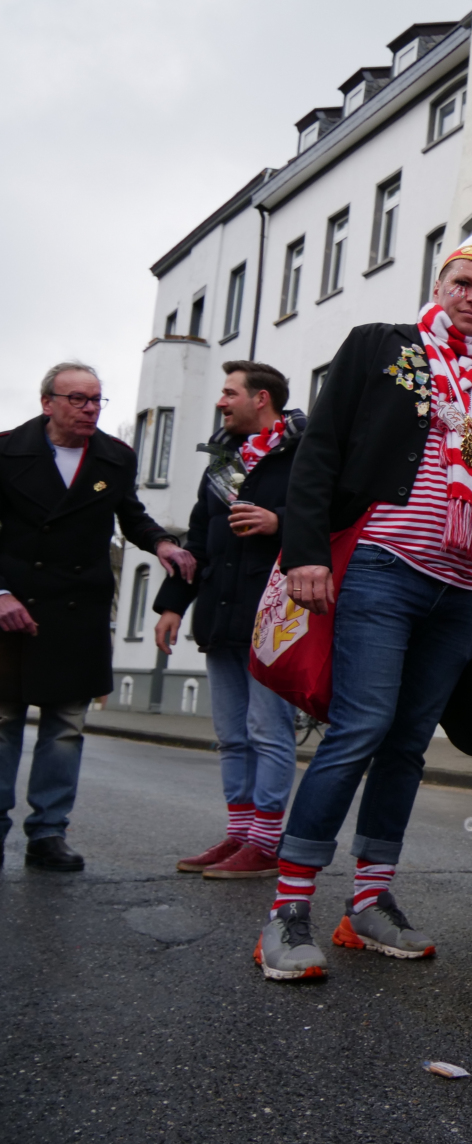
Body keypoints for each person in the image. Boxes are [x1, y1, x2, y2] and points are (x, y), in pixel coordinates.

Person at [253, 224, 472, 981]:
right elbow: (322, 448)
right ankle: (288, 910)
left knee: (407, 746)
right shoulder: (381, 345)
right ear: (438, 286)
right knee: (361, 728)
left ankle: (369, 902)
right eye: (463, 283)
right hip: (381, 566)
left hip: (459, 588)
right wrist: (306, 552)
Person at [0, 362, 195, 872]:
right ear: (47, 403)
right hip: (12, 607)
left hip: (78, 607)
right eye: (78, 399)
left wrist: (162, 543)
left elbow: (130, 514)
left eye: (96, 400)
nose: (90, 409)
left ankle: (48, 833)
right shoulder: (7, 450)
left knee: (65, 726)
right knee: (3, 722)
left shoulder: (114, 456)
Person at [153, 361, 303, 880]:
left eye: (229, 392)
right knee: (233, 735)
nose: (221, 402)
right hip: (220, 614)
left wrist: (279, 522)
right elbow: (199, 540)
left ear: (261, 398)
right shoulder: (223, 461)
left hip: (275, 617)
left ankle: (266, 842)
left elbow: (333, 518)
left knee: (268, 731)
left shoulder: (305, 451)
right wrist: (174, 604)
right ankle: (239, 834)